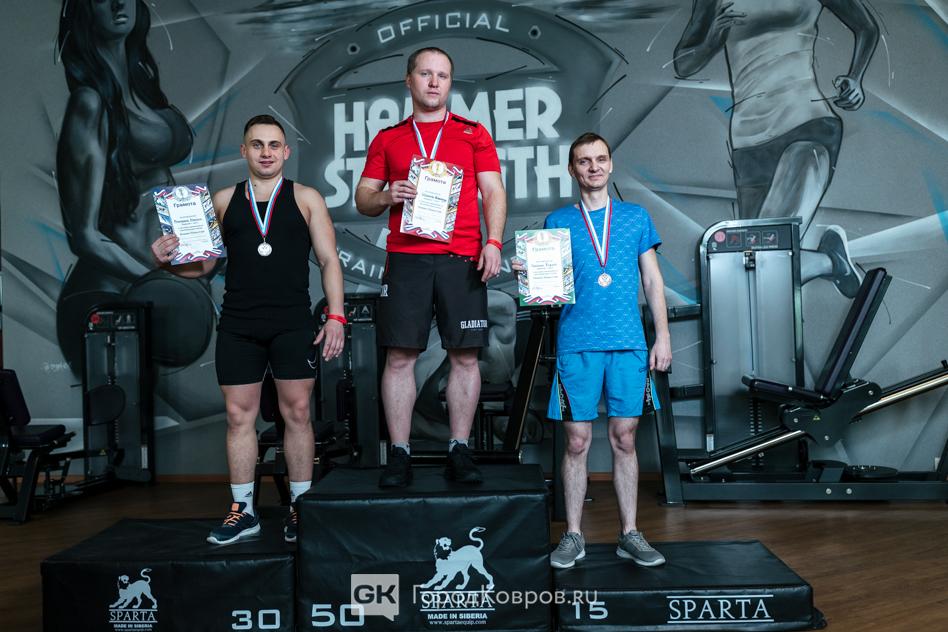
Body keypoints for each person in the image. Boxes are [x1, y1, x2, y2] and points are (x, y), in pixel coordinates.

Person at [151, 115, 345, 544]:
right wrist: (166, 261)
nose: (266, 152)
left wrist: (336, 315)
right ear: (244, 151)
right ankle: (243, 511)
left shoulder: (306, 198)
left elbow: (329, 260)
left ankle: (300, 506)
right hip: (239, 324)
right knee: (239, 417)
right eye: (257, 144)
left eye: (274, 145)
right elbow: (202, 267)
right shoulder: (221, 200)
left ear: (286, 152)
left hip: (292, 322)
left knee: (297, 413)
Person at [515, 133, 671, 569]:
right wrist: (527, 274)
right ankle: (573, 535)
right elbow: (548, 290)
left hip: (627, 344)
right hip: (577, 343)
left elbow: (652, 281)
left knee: (625, 438)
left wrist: (662, 336)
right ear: (573, 169)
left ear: (611, 164)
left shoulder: (636, 217)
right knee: (576, 441)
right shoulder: (558, 220)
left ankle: (630, 533)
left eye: (601, 159)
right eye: (584, 161)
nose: (594, 167)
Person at [355, 47, 507, 488]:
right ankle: (399, 453)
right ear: (409, 80)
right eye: (426, 73)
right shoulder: (388, 139)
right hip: (407, 260)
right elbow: (363, 199)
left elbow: (494, 192)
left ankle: (459, 448)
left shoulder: (473, 134)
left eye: (442, 75)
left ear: (450, 83)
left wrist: (493, 241)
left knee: (465, 356)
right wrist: (387, 195)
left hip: (462, 258)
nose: (434, 82)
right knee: (400, 356)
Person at [674, 0, 878, 297]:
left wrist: (856, 79)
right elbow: (683, 64)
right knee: (751, 274)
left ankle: (831, 261)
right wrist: (711, 40)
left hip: (806, 125)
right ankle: (830, 261)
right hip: (748, 145)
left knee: (763, 262)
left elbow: (867, 27)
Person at [56, 0, 195, 369]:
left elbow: (161, 185)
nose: (119, 3)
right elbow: (84, 236)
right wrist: (160, 283)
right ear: (85, 11)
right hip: (110, 297)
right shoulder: (88, 103)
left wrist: (198, 253)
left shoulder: (142, 89)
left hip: (155, 291)